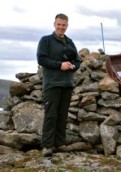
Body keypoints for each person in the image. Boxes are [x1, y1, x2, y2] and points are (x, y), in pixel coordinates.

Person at [37, 13, 81, 157]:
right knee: (51, 114)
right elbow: (41, 59)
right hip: (52, 83)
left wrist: (74, 66)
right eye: (59, 24)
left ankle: (60, 144)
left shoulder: (70, 42)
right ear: (54, 24)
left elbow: (77, 60)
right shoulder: (46, 40)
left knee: (62, 115)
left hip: (67, 84)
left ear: (67, 26)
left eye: (64, 25)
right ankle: (47, 146)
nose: (61, 27)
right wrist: (59, 65)